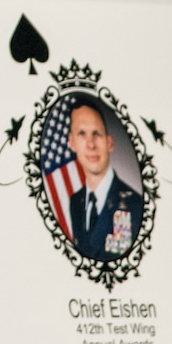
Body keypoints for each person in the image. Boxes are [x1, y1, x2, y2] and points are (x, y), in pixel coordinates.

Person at [66, 99, 146, 263]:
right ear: (72, 143)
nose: (91, 145)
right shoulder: (76, 202)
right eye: (82, 134)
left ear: (109, 143)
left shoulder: (135, 205)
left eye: (97, 134)